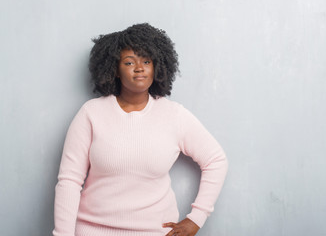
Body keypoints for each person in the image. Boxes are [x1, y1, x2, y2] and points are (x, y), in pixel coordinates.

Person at [53, 23, 228, 236]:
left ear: (157, 66)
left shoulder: (174, 115)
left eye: (146, 61)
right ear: (115, 70)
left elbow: (216, 160)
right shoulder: (91, 113)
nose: (139, 68)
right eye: (129, 62)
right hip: (92, 230)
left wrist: (196, 218)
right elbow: (69, 180)